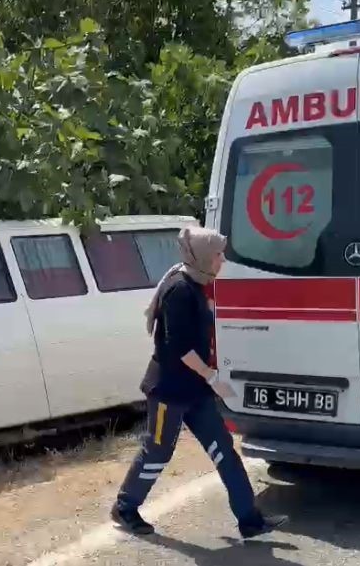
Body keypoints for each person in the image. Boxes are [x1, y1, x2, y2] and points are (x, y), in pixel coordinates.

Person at [111, 227, 287, 539]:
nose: (222, 260)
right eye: (218, 254)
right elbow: (180, 347)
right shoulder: (179, 290)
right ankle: (125, 507)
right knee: (158, 451)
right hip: (169, 391)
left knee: (224, 451)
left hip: (195, 391)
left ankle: (250, 520)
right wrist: (212, 377)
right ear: (204, 256)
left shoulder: (198, 284)